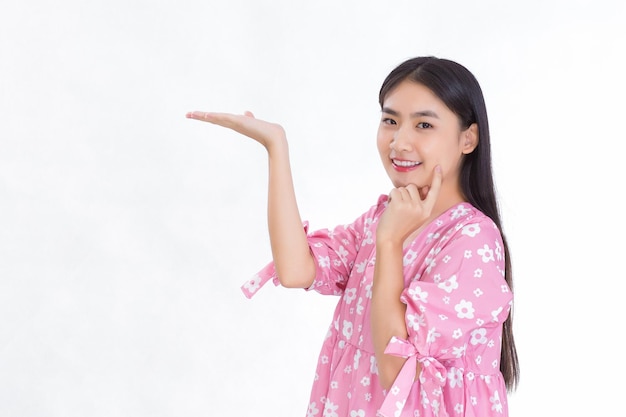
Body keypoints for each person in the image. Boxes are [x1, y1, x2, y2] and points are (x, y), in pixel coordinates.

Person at [186, 56, 519, 417]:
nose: (400, 142)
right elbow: (296, 269)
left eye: (424, 125)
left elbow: (397, 370)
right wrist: (276, 147)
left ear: (468, 138)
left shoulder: (472, 240)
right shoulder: (384, 218)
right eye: (390, 121)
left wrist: (390, 243)